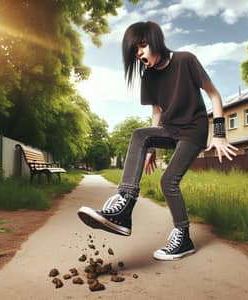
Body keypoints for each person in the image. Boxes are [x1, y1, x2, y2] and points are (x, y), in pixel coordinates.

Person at [77, 21, 238, 261]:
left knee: (168, 181)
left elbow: (213, 94)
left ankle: (183, 238)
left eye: (142, 46)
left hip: (194, 129)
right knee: (139, 134)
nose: (139, 53)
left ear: (155, 40)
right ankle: (124, 206)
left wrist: (220, 133)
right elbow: (157, 113)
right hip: (170, 129)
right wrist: (150, 147)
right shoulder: (148, 76)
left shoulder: (186, 60)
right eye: (134, 50)